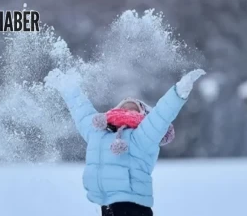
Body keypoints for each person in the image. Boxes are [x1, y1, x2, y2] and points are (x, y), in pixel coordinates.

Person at [45, 68, 206, 216]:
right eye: (124, 108)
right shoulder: (98, 132)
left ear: (143, 116)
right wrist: (68, 87)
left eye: (134, 109)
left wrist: (178, 93)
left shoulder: (143, 136)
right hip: (107, 207)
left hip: (134, 207)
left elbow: (161, 115)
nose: (128, 110)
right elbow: (81, 111)